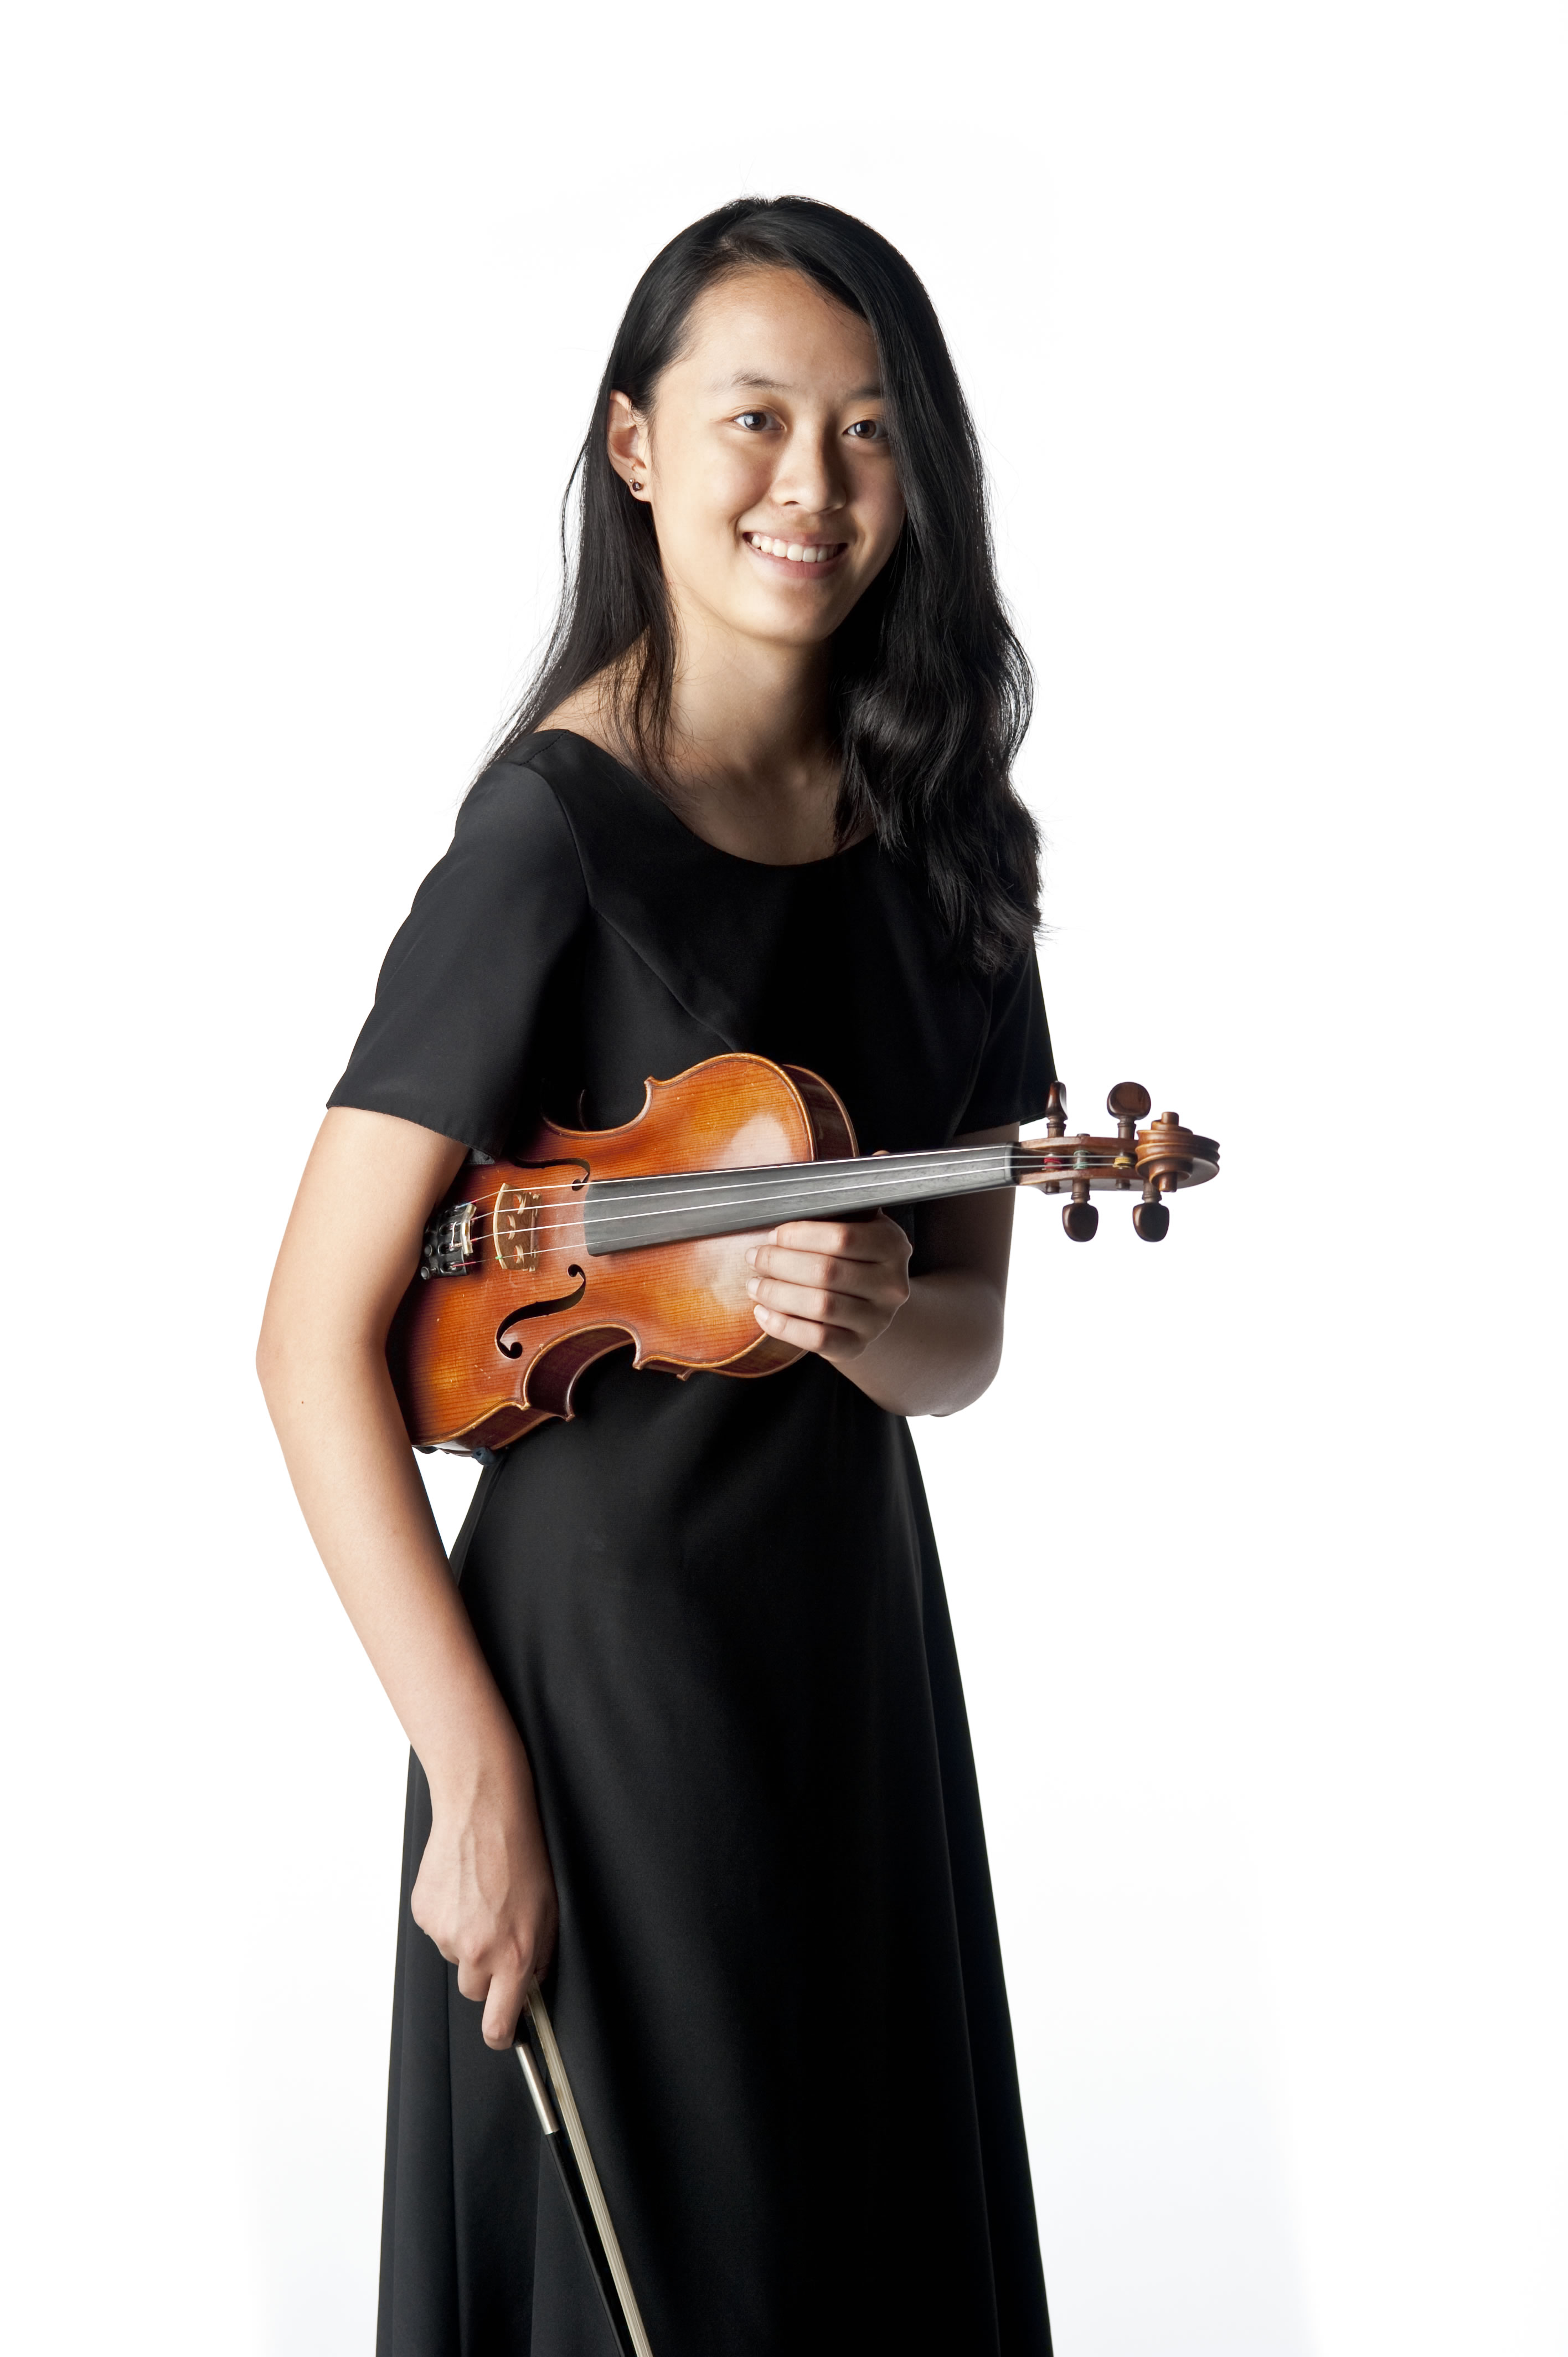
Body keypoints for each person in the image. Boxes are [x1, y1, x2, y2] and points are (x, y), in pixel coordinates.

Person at [258, 195, 1055, 2357]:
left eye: (870, 430)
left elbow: (966, 1340)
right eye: (755, 418)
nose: (814, 484)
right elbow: (311, 1337)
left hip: (853, 1649)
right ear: (635, 446)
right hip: (595, 1676)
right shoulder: (552, 833)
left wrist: (874, 1314)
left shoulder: (955, 847)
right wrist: (475, 1780)